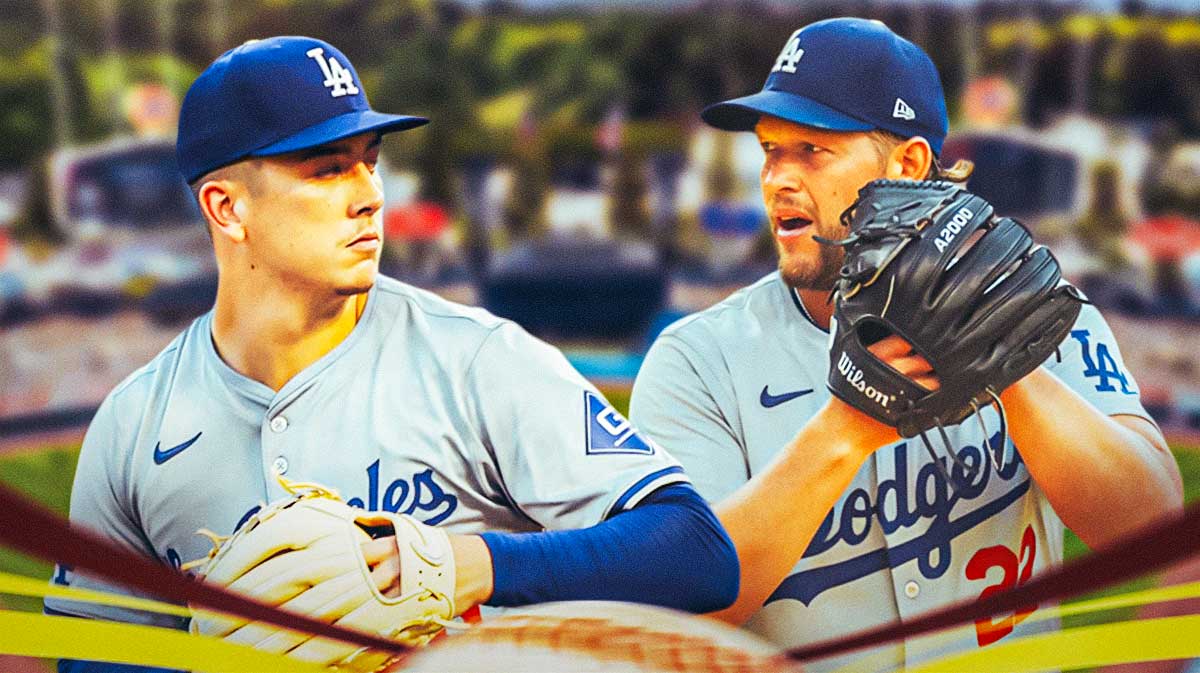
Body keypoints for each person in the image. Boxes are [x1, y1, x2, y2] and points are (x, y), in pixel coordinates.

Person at [46, 36, 738, 672]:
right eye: (326, 170)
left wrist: (461, 563)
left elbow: (695, 549)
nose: (369, 196)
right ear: (228, 208)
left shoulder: (475, 361)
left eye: (369, 162)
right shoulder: (134, 428)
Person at [630, 17, 1183, 672]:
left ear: (909, 164)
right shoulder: (697, 361)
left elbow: (1151, 525)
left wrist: (1007, 364)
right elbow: (671, 597)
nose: (777, 177)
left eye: (812, 150)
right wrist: (847, 430)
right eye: (770, 149)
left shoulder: (1040, 311)